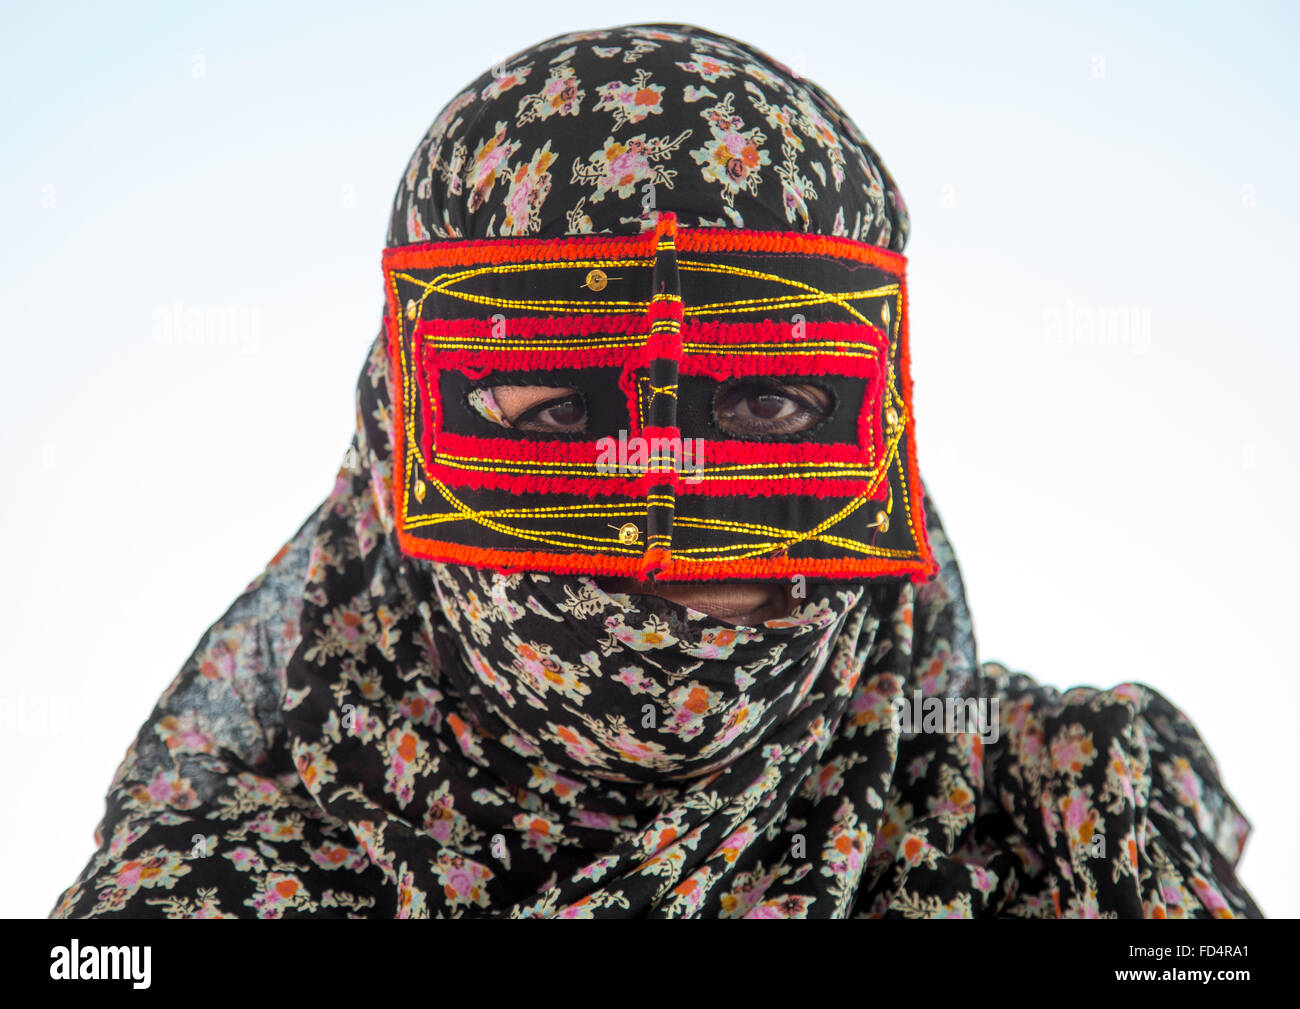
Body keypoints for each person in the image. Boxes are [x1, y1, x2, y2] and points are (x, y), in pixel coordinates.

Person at [50, 22, 1261, 919]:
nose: (674, 512)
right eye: (560, 410)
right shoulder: (199, 903)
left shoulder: (1078, 832)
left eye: (772, 404)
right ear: (398, 442)